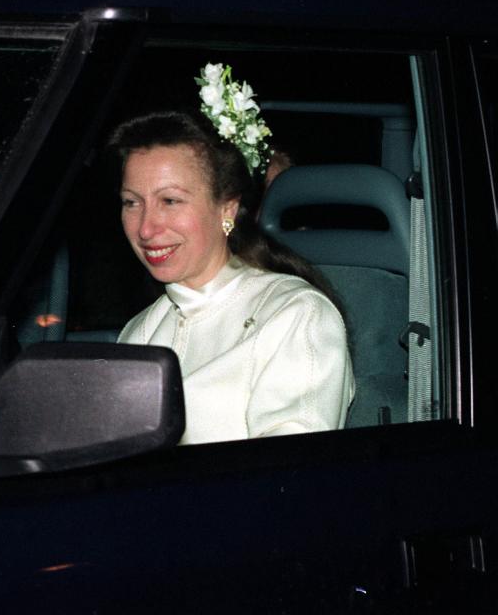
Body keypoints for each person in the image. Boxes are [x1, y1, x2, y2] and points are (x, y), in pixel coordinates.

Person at [111, 110, 354, 445]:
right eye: (132, 203)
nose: (146, 228)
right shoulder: (141, 330)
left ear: (226, 209)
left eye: (170, 200)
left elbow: (289, 481)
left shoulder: (295, 316)